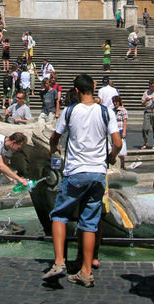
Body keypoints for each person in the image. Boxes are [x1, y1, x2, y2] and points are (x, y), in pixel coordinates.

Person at [43, 74, 121, 287]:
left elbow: (55, 137)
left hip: (76, 172)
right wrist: (111, 157)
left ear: (76, 90)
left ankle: (59, 261)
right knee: (90, 222)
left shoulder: (69, 111)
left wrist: (53, 149)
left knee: (59, 214)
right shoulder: (106, 112)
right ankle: (86, 271)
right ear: (92, 90)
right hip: (97, 174)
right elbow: (117, 142)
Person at [113, 95, 128, 170]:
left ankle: (123, 163)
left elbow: (125, 121)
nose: (115, 103)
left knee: (122, 148)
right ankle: (118, 164)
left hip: (121, 129)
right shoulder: (113, 110)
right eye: (114, 102)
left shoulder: (123, 110)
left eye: (116, 102)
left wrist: (124, 131)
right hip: (115, 130)